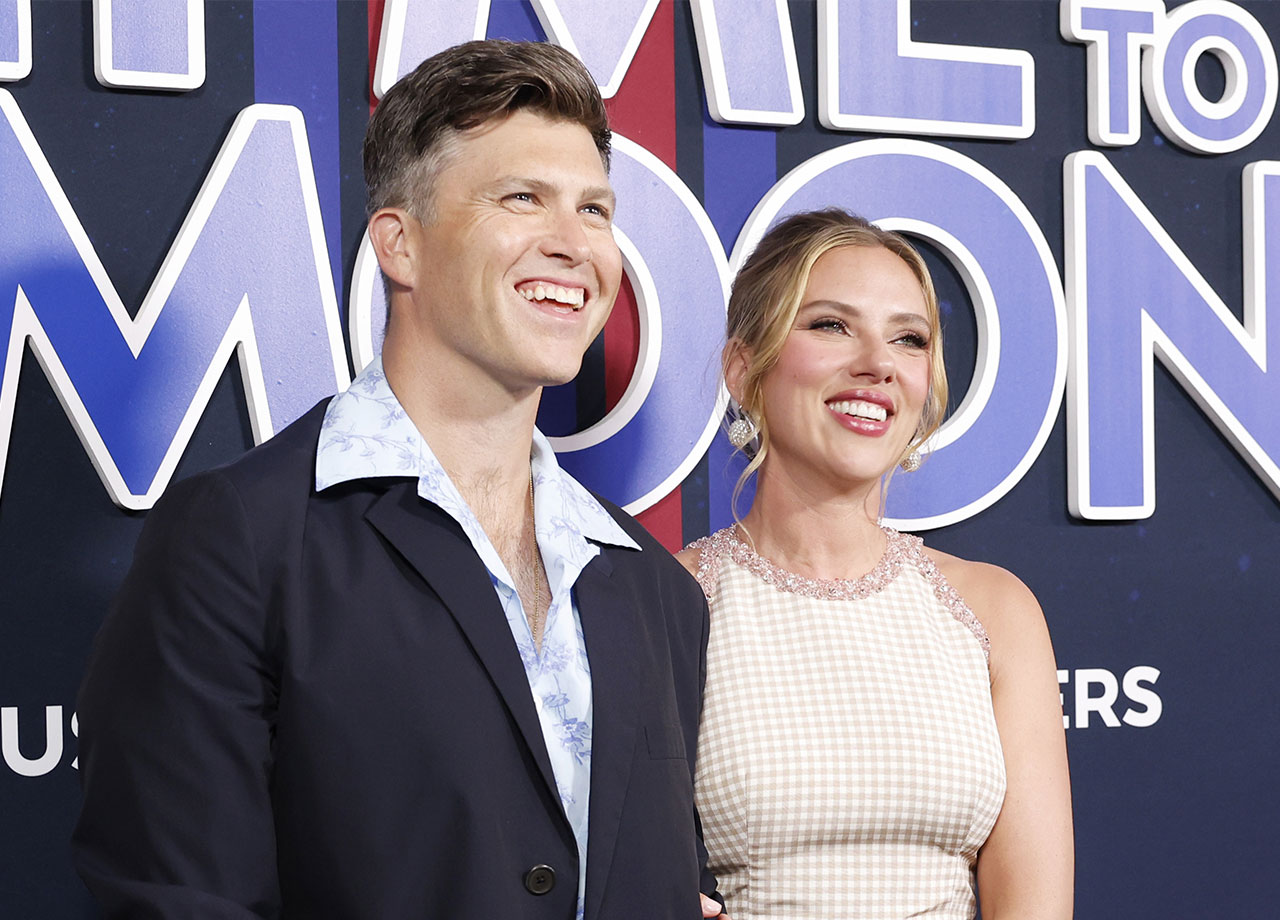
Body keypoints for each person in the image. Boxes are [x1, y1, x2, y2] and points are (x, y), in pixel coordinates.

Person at [75, 39, 723, 919]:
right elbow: (178, 895)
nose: (575, 245)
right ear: (400, 245)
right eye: (522, 198)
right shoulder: (240, 538)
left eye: (595, 209)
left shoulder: (656, 589)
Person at [677, 210, 1073, 919]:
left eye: (908, 338)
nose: (879, 364)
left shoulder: (993, 610)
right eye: (832, 325)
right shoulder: (673, 601)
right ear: (743, 368)